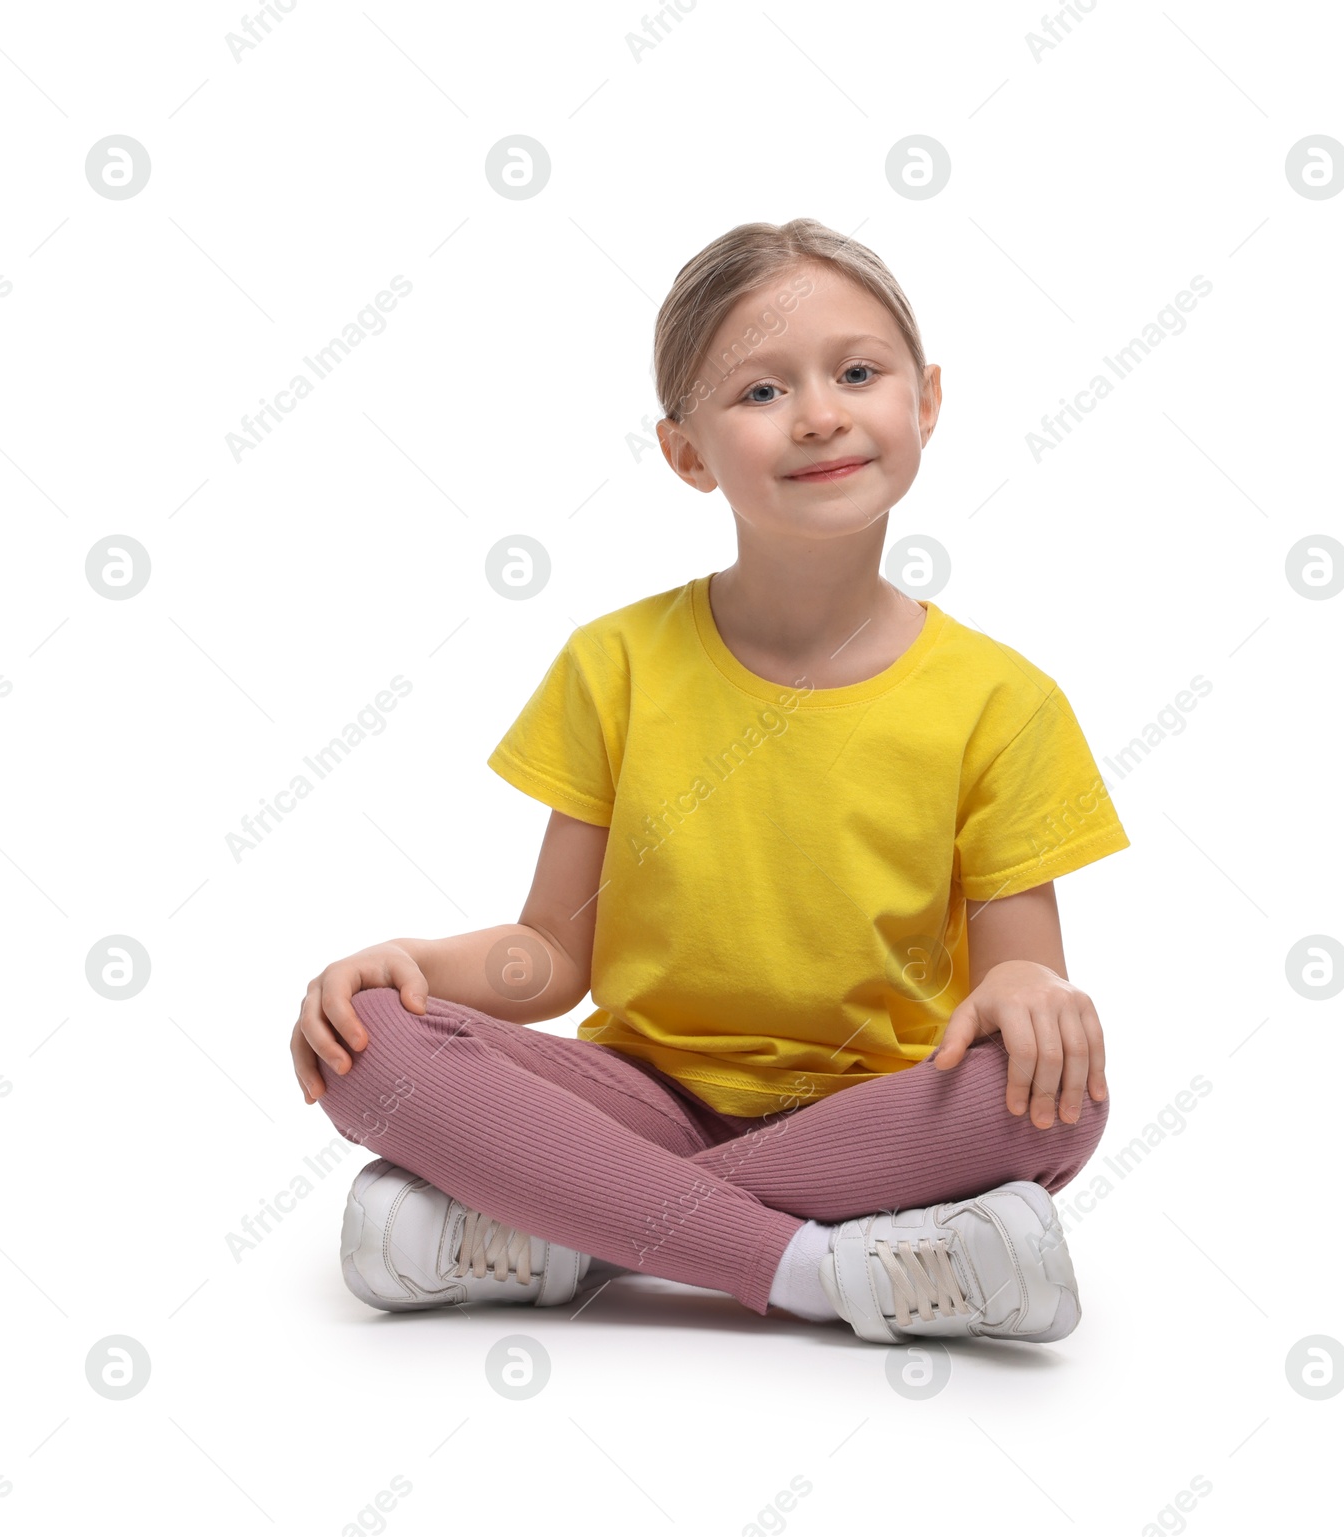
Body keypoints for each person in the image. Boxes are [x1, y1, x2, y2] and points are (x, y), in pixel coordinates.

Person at [288, 217, 1130, 1345]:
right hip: (643, 1096)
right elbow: (551, 957)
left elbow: (1019, 979)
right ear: (686, 452)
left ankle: (569, 1219)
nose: (822, 412)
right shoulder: (616, 663)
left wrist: (1031, 995)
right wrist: (417, 968)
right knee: (373, 1044)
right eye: (761, 391)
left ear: (924, 400)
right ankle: (821, 1270)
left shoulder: (1004, 702)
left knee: (1053, 1091)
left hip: (873, 1112)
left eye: (858, 372)